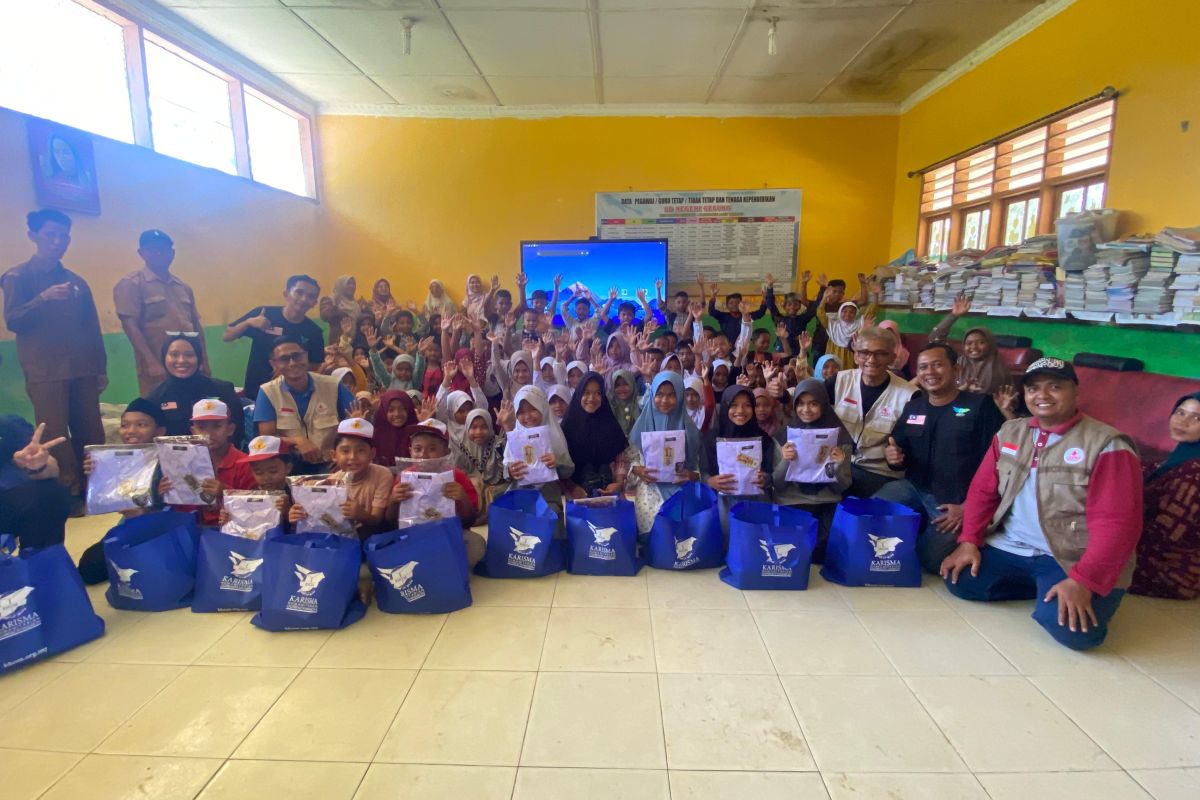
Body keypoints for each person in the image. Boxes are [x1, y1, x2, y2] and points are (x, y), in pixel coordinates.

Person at [940, 358, 1143, 650]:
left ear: (1076, 392)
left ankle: (1074, 590)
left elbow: (1118, 522)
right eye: (1033, 389)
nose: (1042, 396)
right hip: (1012, 547)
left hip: (1068, 556)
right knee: (960, 580)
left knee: (1074, 634)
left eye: (1055, 387)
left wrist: (1084, 580)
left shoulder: (1106, 444)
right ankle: (1042, 587)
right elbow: (983, 491)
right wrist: (969, 540)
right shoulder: (1011, 432)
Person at [2, 209, 106, 504]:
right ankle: (67, 492)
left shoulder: (76, 282)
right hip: (44, 371)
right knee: (56, 433)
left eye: (63, 236)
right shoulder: (17, 277)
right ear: (33, 236)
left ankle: (98, 487)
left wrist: (100, 368)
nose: (58, 242)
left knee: (90, 429)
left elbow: (92, 328)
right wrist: (42, 299)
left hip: (82, 368)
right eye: (51, 235)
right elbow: (13, 320)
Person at [876, 343, 1006, 573]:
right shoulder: (914, 407)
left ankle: (975, 539)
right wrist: (893, 457)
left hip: (956, 500)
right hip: (914, 487)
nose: (930, 372)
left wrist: (969, 506)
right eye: (923, 367)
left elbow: (999, 464)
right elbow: (898, 449)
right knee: (872, 510)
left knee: (930, 561)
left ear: (955, 369)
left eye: (937, 365)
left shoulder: (979, 406)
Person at [77, 399, 167, 583]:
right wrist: (96, 474)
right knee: (90, 567)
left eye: (141, 425)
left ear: (159, 431)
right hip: (129, 526)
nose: (131, 431)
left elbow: (181, 508)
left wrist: (145, 511)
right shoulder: (116, 460)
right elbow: (104, 497)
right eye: (125, 425)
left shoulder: (171, 459)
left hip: (163, 528)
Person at [826, 326, 915, 497]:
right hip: (840, 463)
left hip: (880, 473)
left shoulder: (909, 395)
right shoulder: (838, 381)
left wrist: (899, 459)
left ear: (892, 357)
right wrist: (784, 396)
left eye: (880, 353)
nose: (871, 359)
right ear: (856, 355)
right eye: (864, 352)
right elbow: (808, 406)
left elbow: (910, 448)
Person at [113, 229, 205, 395]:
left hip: (189, 364)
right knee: (159, 411)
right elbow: (130, 326)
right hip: (157, 365)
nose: (158, 253)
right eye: (152, 249)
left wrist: (203, 360)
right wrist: (151, 361)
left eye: (163, 249)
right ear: (141, 253)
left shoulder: (183, 287)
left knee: (191, 408)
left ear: (172, 253)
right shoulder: (132, 284)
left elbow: (196, 325)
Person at [1130, 393, 1200, 599]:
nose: (1183, 421)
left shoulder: (1194, 475)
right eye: (1180, 412)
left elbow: (1163, 538)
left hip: (1172, 570)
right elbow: (1150, 471)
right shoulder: (1181, 457)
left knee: (1073, 561)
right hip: (1153, 551)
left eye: (1196, 418)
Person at [774, 378, 852, 562]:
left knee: (825, 552)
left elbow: (842, 487)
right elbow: (777, 484)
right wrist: (785, 461)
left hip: (826, 501)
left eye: (813, 404)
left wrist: (838, 466)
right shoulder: (784, 435)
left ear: (824, 405)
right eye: (800, 403)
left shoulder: (839, 437)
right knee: (794, 550)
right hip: (792, 500)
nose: (806, 410)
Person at [391, 418, 485, 566]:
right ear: (410, 451)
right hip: (413, 536)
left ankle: (439, 567)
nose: (424, 455)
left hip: (448, 537)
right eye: (417, 449)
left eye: (432, 449)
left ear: (445, 452)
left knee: (477, 545)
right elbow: (391, 522)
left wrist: (462, 498)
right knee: (386, 550)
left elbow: (470, 520)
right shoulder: (404, 478)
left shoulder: (456, 476)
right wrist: (393, 500)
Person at [253, 336, 352, 473]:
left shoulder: (333, 385)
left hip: (332, 466)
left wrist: (342, 456)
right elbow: (266, 439)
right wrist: (297, 441)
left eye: (297, 356)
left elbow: (354, 424)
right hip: (289, 469)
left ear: (306, 356)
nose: (292, 363)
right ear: (273, 364)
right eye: (284, 359)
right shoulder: (267, 392)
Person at [224, 274, 324, 401]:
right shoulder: (264, 313)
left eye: (310, 296)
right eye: (299, 292)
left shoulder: (314, 331)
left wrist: (288, 367)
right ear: (286, 294)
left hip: (292, 394)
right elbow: (227, 336)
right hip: (256, 389)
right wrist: (248, 323)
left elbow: (316, 364)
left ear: (314, 303)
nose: (304, 299)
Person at [627, 372, 701, 532]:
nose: (665, 400)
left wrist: (691, 475)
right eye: (659, 395)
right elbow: (630, 461)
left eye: (671, 395)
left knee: (683, 532)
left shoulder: (691, 431)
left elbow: (698, 467)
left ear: (680, 396)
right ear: (652, 395)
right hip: (651, 489)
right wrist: (638, 470)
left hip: (682, 489)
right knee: (652, 525)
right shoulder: (641, 426)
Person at [145, 333, 244, 446]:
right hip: (174, 460)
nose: (181, 360)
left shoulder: (222, 390)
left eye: (189, 355)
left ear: (198, 358)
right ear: (164, 358)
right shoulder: (155, 396)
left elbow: (238, 431)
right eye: (174, 354)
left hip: (219, 459)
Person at [702, 385, 778, 530]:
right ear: (725, 407)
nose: (740, 411)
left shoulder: (764, 439)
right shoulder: (712, 438)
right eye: (734, 405)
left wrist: (767, 479)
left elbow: (773, 473)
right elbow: (702, 471)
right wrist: (710, 481)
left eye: (747, 405)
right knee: (727, 541)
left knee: (754, 542)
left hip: (757, 503)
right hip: (723, 504)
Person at [0, 417, 71, 553]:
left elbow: (51, 469)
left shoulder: (9, 427)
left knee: (50, 492)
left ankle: (41, 566)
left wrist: (38, 466)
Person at [500, 385, 574, 510]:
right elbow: (506, 471)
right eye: (521, 412)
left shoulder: (554, 435)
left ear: (543, 408)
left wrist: (558, 463)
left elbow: (568, 470)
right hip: (520, 493)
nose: (527, 416)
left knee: (551, 517)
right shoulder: (517, 436)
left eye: (533, 409)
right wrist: (511, 472)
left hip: (548, 496)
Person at [562, 371, 628, 498]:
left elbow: (620, 459)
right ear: (579, 394)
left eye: (597, 393)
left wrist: (618, 483)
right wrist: (573, 487)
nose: (592, 398)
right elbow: (561, 466)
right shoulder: (568, 428)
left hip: (610, 488)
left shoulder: (610, 424)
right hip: (577, 491)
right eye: (586, 393)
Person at [929, 294, 1012, 395]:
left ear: (990, 344)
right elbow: (935, 339)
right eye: (969, 343)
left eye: (981, 342)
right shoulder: (957, 361)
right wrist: (954, 315)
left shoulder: (998, 368)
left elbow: (1009, 399)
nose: (974, 347)